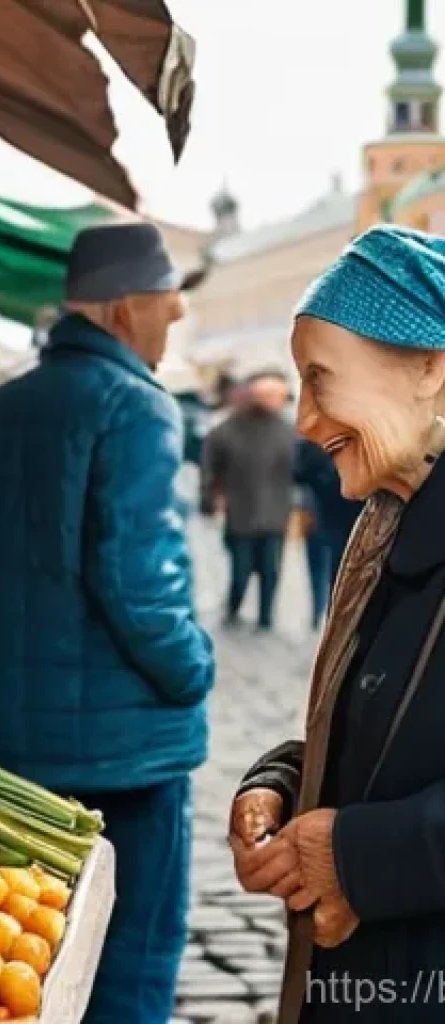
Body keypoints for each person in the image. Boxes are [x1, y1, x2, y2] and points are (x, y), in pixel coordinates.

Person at [0, 221, 215, 1023]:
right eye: (164, 305)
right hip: (126, 761)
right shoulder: (140, 409)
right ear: (122, 311)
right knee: (131, 962)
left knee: (20, 957)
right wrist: (195, 669)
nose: (174, 320)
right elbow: (143, 586)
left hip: (3, 752)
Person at [229, 225, 445, 1023]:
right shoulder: (386, 522)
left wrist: (356, 857)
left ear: (430, 367)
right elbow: (382, 735)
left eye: (320, 379)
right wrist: (283, 784)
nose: (304, 419)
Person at [202, 371, 297, 630]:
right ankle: (233, 610)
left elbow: (302, 471)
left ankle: (266, 619)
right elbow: (210, 467)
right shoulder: (226, 429)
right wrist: (209, 500)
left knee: (270, 572)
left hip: (276, 515)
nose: (274, 400)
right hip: (240, 514)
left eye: (278, 395)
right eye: (268, 395)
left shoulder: (289, 432)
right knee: (240, 572)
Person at [295, 439, 363, 629]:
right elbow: (300, 473)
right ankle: (321, 612)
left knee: (335, 572)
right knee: (326, 570)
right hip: (322, 518)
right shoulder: (315, 444)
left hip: (341, 521)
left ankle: (326, 614)